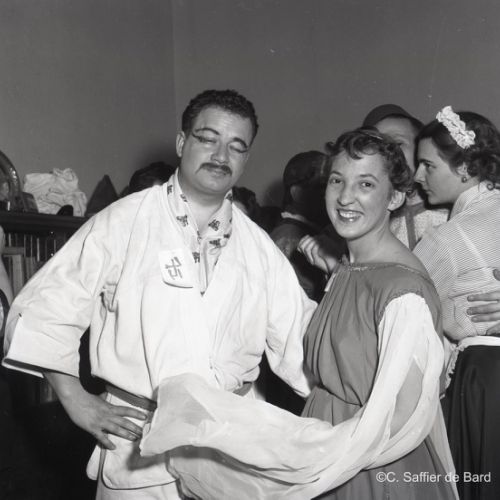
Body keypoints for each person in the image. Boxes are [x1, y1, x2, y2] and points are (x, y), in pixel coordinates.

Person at [2, 89, 316, 499]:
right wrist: (75, 399)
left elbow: (304, 343)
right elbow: (44, 311)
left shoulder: (259, 248)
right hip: (139, 449)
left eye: (237, 147)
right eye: (208, 138)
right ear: (182, 143)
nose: (221, 155)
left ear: (246, 158)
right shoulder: (123, 222)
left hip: (230, 449)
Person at [139, 128, 457, 500]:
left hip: (371, 469)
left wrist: (312, 460)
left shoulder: (403, 290)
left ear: (395, 196)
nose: (345, 197)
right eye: (337, 180)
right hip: (327, 442)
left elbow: (405, 414)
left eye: (366, 184)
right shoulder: (349, 268)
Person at [413, 106, 500, 500]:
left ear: (465, 167)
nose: (418, 176)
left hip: (485, 380)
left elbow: (395, 302)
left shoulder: (446, 239)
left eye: (428, 165)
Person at [363, 103, 449, 249]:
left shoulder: (450, 208)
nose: (388, 153)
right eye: (377, 147)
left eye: (398, 143)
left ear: (420, 149)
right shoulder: (371, 220)